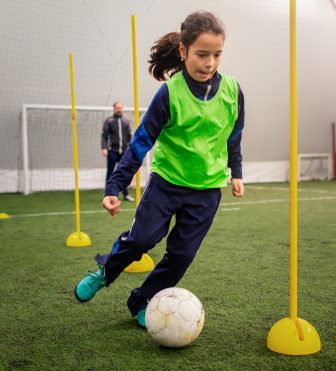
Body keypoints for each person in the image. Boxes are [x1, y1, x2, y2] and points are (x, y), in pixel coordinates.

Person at [75, 11, 245, 328]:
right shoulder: (169, 93)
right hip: (166, 184)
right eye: (202, 55)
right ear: (184, 52)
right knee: (141, 241)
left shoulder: (233, 92)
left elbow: (234, 134)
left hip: (207, 191)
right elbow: (140, 143)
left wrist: (236, 171)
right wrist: (115, 187)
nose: (210, 63)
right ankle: (104, 272)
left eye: (217, 55)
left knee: (181, 255)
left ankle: (143, 300)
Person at [101, 102, 135, 201]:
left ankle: (126, 195)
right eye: (117, 108)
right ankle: (108, 193)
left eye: (120, 108)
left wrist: (130, 149)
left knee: (124, 173)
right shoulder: (109, 121)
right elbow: (104, 136)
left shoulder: (126, 121)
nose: (119, 109)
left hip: (124, 152)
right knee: (110, 173)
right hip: (112, 151)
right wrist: (104, 148)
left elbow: (130, 137)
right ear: (114, 109)